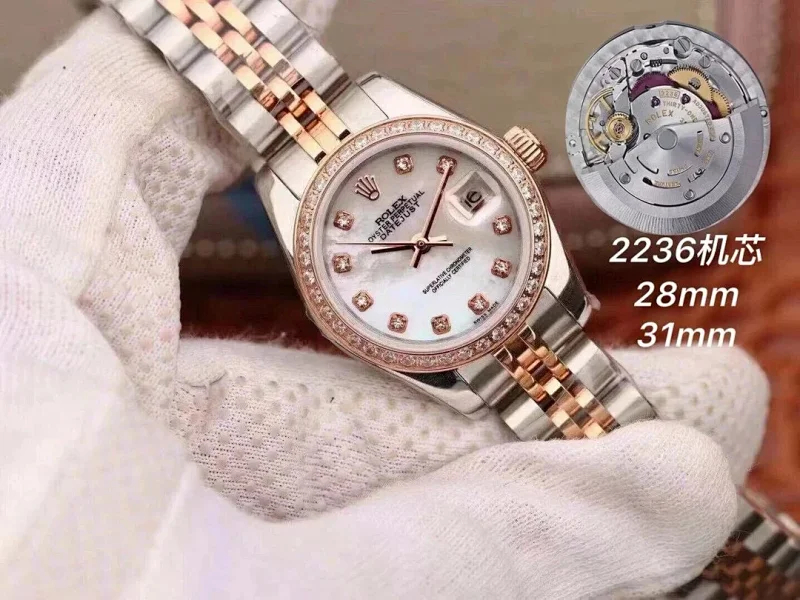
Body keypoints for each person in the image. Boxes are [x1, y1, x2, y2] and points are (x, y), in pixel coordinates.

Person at [0, 5, 769, 599]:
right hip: (466, 335)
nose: (419, 248)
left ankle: (761, 570)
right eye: (399, 252)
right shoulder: (294, 204)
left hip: (508, 306)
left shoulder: (376, 120)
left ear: (511, 161)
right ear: (331, 302)